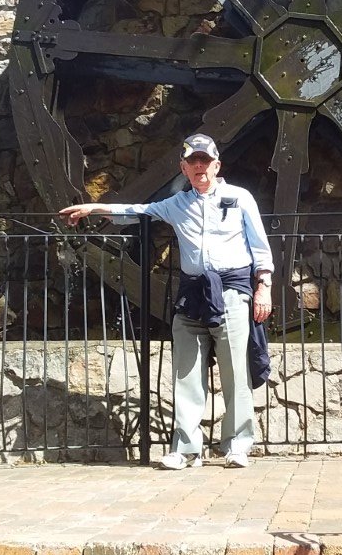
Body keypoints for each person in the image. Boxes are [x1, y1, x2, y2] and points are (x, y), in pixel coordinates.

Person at [60, 133, 273, 469]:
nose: (199, 166)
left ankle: (237, 446)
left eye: (205, 160)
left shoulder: (240, 198)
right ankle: (187, 450)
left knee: (235, 372)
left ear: (217, 165)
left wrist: (264, 286)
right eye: (193, 161)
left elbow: (260, 246)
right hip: (192, 295)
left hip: (232, 291)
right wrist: (93, 208)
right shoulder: (177, 204)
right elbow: (136, 210)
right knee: (186, 374)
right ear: (183, 168)